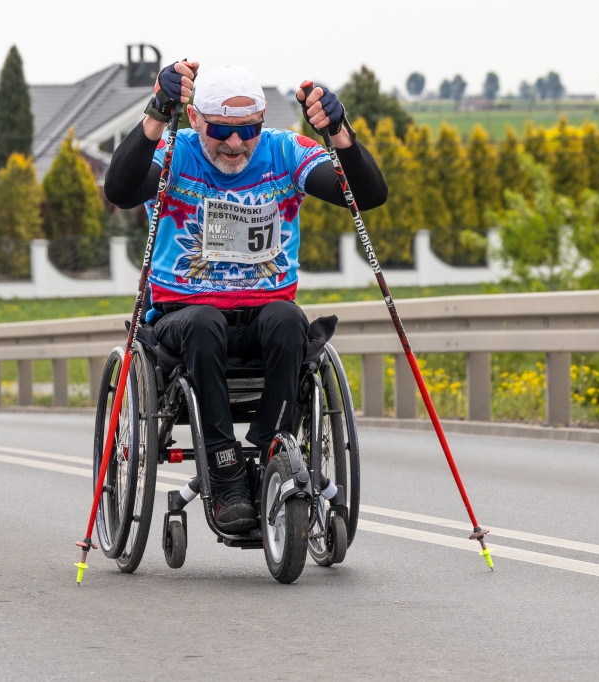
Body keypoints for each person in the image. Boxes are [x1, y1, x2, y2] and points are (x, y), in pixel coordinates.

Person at [104, 61, 387, 532]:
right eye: (220, 130)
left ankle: (270, 445)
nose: (235, 144)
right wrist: (156, 112)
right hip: (186, 316)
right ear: (195, 121)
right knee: (203, 324)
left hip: (263, 314)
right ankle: (225, 467)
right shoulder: (176, 151)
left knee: (289, 320)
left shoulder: (283, 152)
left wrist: (339, 132)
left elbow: (367, 195)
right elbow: (120, 188)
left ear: (262, 123)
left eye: (247, 130)